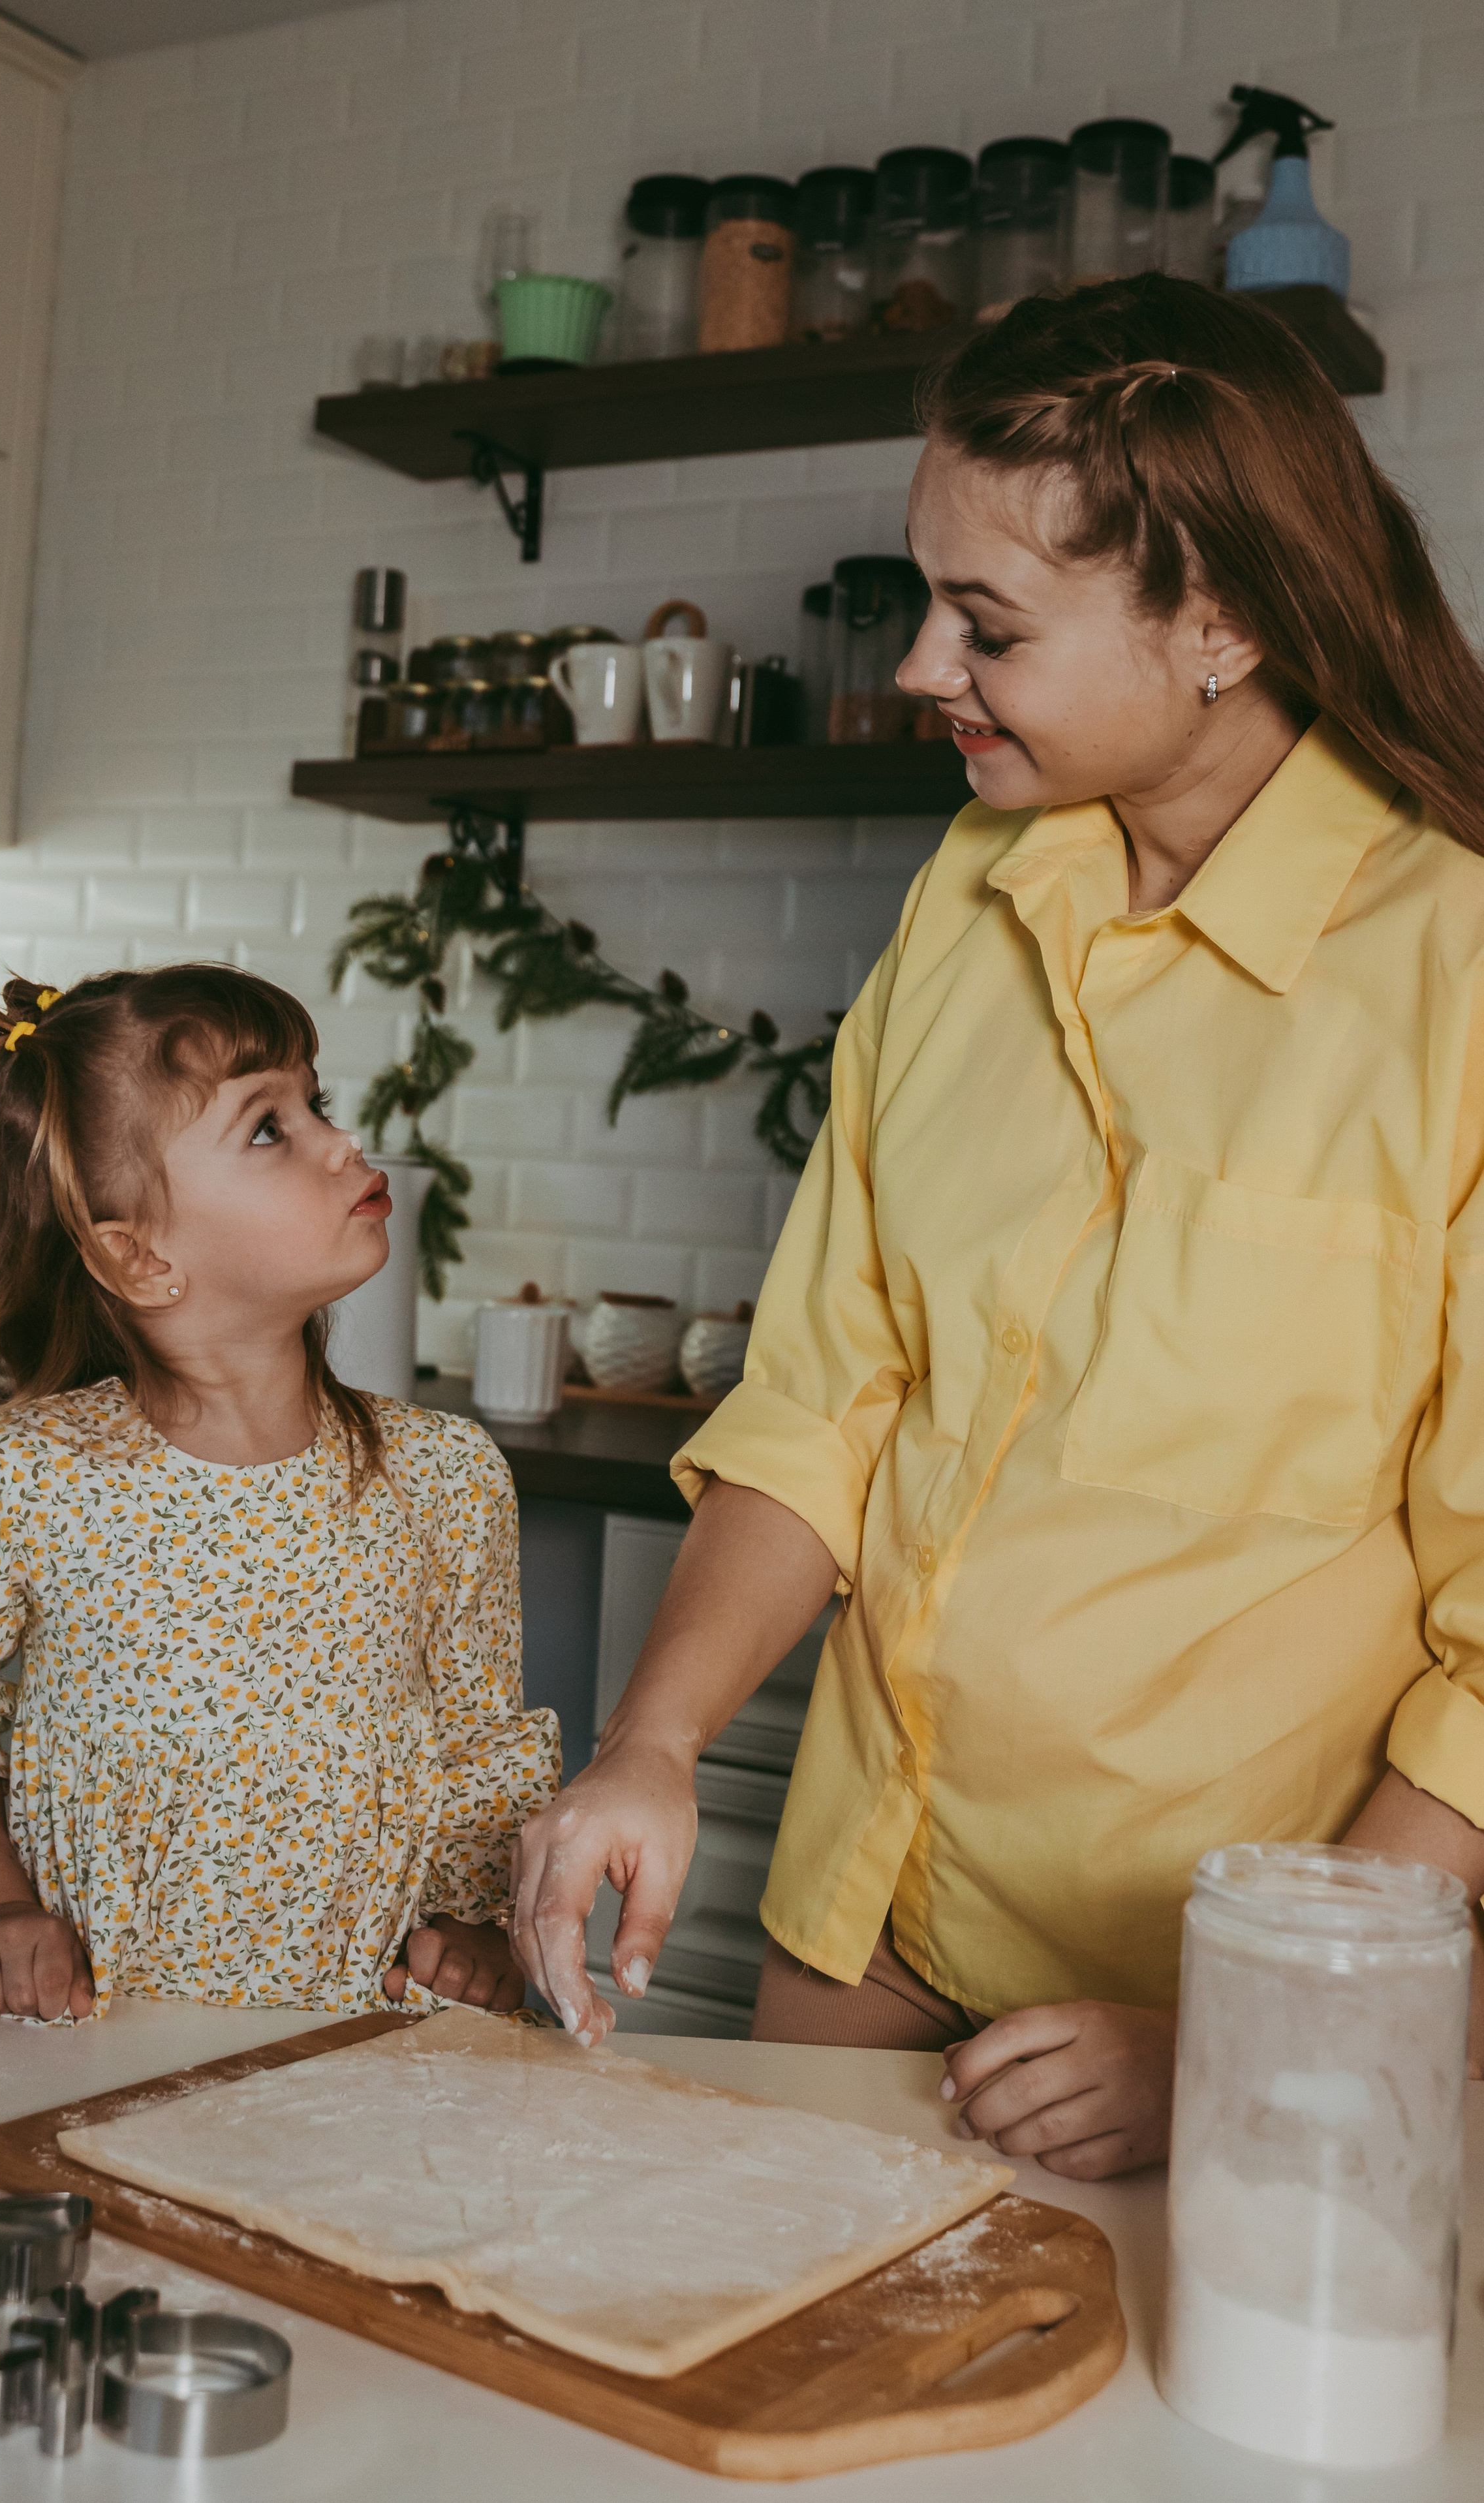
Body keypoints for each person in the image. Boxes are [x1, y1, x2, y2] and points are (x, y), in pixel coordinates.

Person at [510, 273, 1484, 2175]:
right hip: (873, 1902)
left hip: (1227, 1983)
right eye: (923, 600)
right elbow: (826, 1394)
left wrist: (1246, 2033)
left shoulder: (1456, 972)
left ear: (1217, 620)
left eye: (991, 624)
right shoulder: (973, 892)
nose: (922, 669)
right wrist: (653, 1741)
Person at [0, 965, 558, 2021]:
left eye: (318, 1103)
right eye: (269, 1128)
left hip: (359, 2055)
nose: (337, 1143)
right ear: (139, 1258)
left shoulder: (445, 1478)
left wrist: (480, 1935)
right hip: (103, 2038)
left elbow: (481, 1758)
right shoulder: (22, 1479)